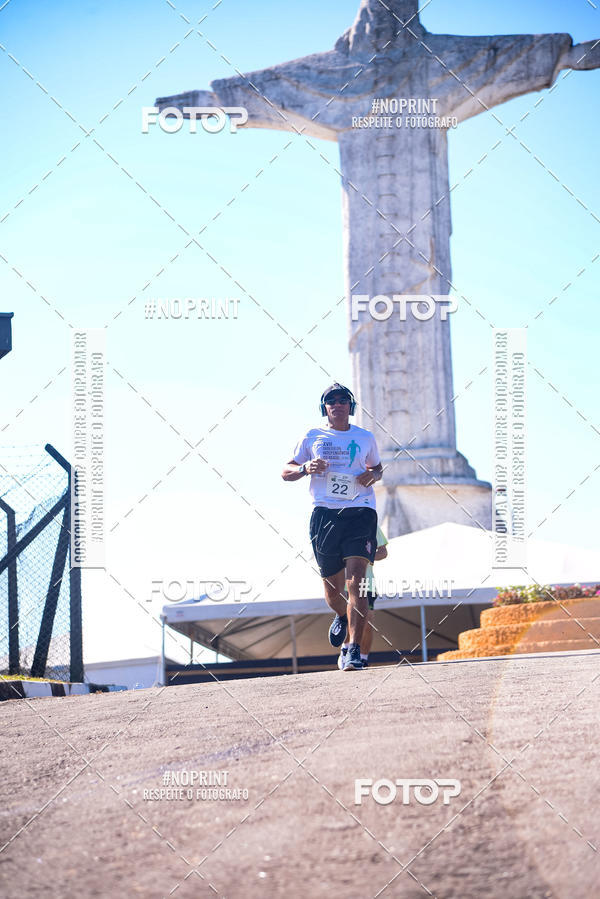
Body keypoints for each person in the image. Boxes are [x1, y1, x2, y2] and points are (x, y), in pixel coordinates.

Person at [282, 382, 383, 670]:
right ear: (325, 408)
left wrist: (372, 476)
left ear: (350, 407)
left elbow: (377, 467)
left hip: (361, 511)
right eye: (331, 401)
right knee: (332, 591)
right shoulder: (312, 436)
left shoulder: (365, 437)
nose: (337, 404)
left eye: (343, 400)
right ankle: (341, 615)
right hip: (325, 514)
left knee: (357, 583)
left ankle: (352, 649)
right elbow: (286, 471)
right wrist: (305, 468)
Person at [337, 526, 388, 670]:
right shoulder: (339, 522)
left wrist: (364, 556)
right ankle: (346, 649)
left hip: (367, 582)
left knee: (367, 623)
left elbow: (383, 552)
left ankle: (363, 658)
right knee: (347, 620)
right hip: (345, 581)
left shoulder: (371, 523)